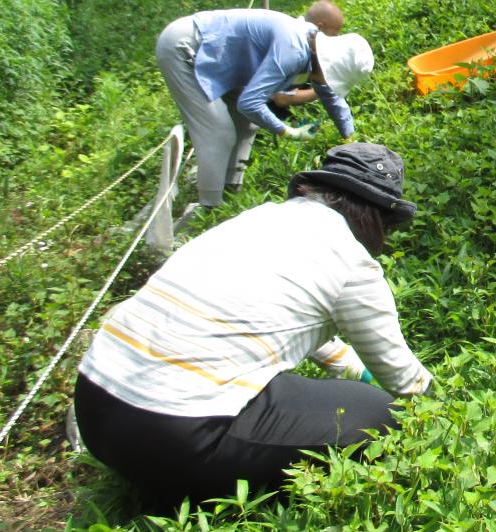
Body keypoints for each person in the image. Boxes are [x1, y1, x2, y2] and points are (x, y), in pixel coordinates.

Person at [74, 143, 433, 505]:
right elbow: (402, 377)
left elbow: (271, 315)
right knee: (378, 412)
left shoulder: (258, 221)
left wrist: (355, 369)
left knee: (299, 388)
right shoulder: (353, 262)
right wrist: (439, 410)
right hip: (173, 436)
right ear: (376, 217)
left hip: (94, 407)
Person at [155, 7, 373, 207]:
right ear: (326, 64)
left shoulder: (313, 45)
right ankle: (209, 207)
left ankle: (230, 191)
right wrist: (287, 131)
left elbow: (331, 97)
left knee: (247, 124)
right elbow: (249, 103)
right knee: (218, 131)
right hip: (186, 48)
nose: (326, 83)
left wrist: (350, 141)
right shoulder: (293, 50)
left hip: (221, 58)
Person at [270, 1, 345, 120]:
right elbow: (280, 98)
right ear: (319, 27)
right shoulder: (294, 46)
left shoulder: (300, 33)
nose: (334, 39)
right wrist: (325, 90)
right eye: (334, 34)